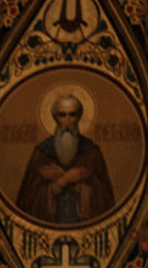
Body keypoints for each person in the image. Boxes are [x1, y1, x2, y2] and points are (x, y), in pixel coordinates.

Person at [14, 93, 116, 224]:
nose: (67, 122)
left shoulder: (92, 152)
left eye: (72, 115)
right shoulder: (42, 152)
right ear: (55, 118)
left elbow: (105, 200)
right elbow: (27, 201)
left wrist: (80, 189)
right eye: (62, 115)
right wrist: (61, 182)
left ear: (79, 117)